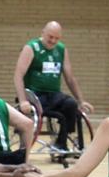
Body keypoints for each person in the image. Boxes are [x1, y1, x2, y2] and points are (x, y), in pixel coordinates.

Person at [14, 21, 93, 153]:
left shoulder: (61, 49)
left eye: (57, 38)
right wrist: (23, 101)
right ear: (43, 33)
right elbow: (18, 75)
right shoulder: (31, 47)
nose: (53, 41)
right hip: (34, 95)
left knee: (71, 105)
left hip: (53, 95)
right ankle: (25, 149)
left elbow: (70, 78)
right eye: (50, 37)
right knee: (60, 115)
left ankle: (61, 144)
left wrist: (81, 100)